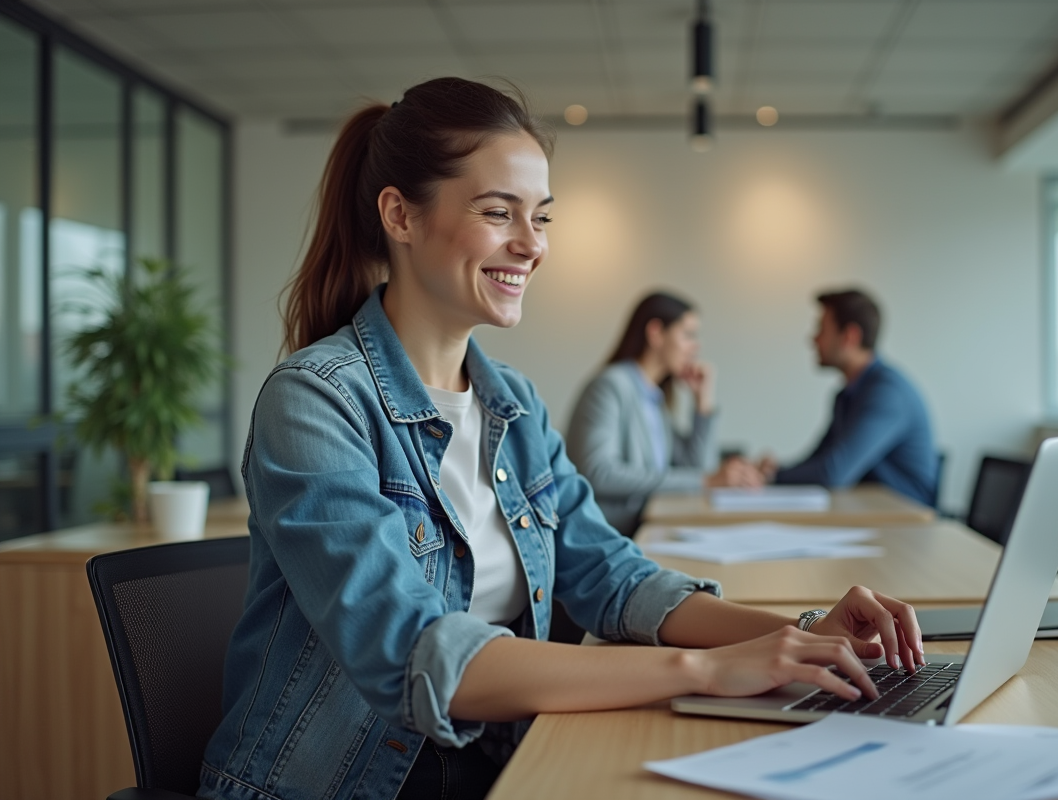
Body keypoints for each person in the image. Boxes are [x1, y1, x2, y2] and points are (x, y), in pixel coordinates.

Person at [198, 78, 923, 800]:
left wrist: (794, 637)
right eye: (497, 212)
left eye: (541, 217)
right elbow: (421, 656)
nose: (532, 244)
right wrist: (706, 670)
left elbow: (613, 578)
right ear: (400, 215)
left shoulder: (510, 402)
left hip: (497, 758)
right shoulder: (315, 402)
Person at [565, 292, 761, 537]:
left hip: (644, 530)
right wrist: (704, 481)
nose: (696, 346)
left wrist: (702, 403)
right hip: (610, 536)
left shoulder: (655, 399)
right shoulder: (611, 386)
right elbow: (598, 472)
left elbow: (697, 468)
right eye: (688, 335)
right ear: (656, 333)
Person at [767, 289, 938, 507]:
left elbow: (833, 474)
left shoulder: (887, 393)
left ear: (850, 336)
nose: (813, 339)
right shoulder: (848, 394)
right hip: (868, 511)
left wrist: (773, 478)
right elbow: (820, 460)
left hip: (906, 522)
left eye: (821, 329)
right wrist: (775, 471)